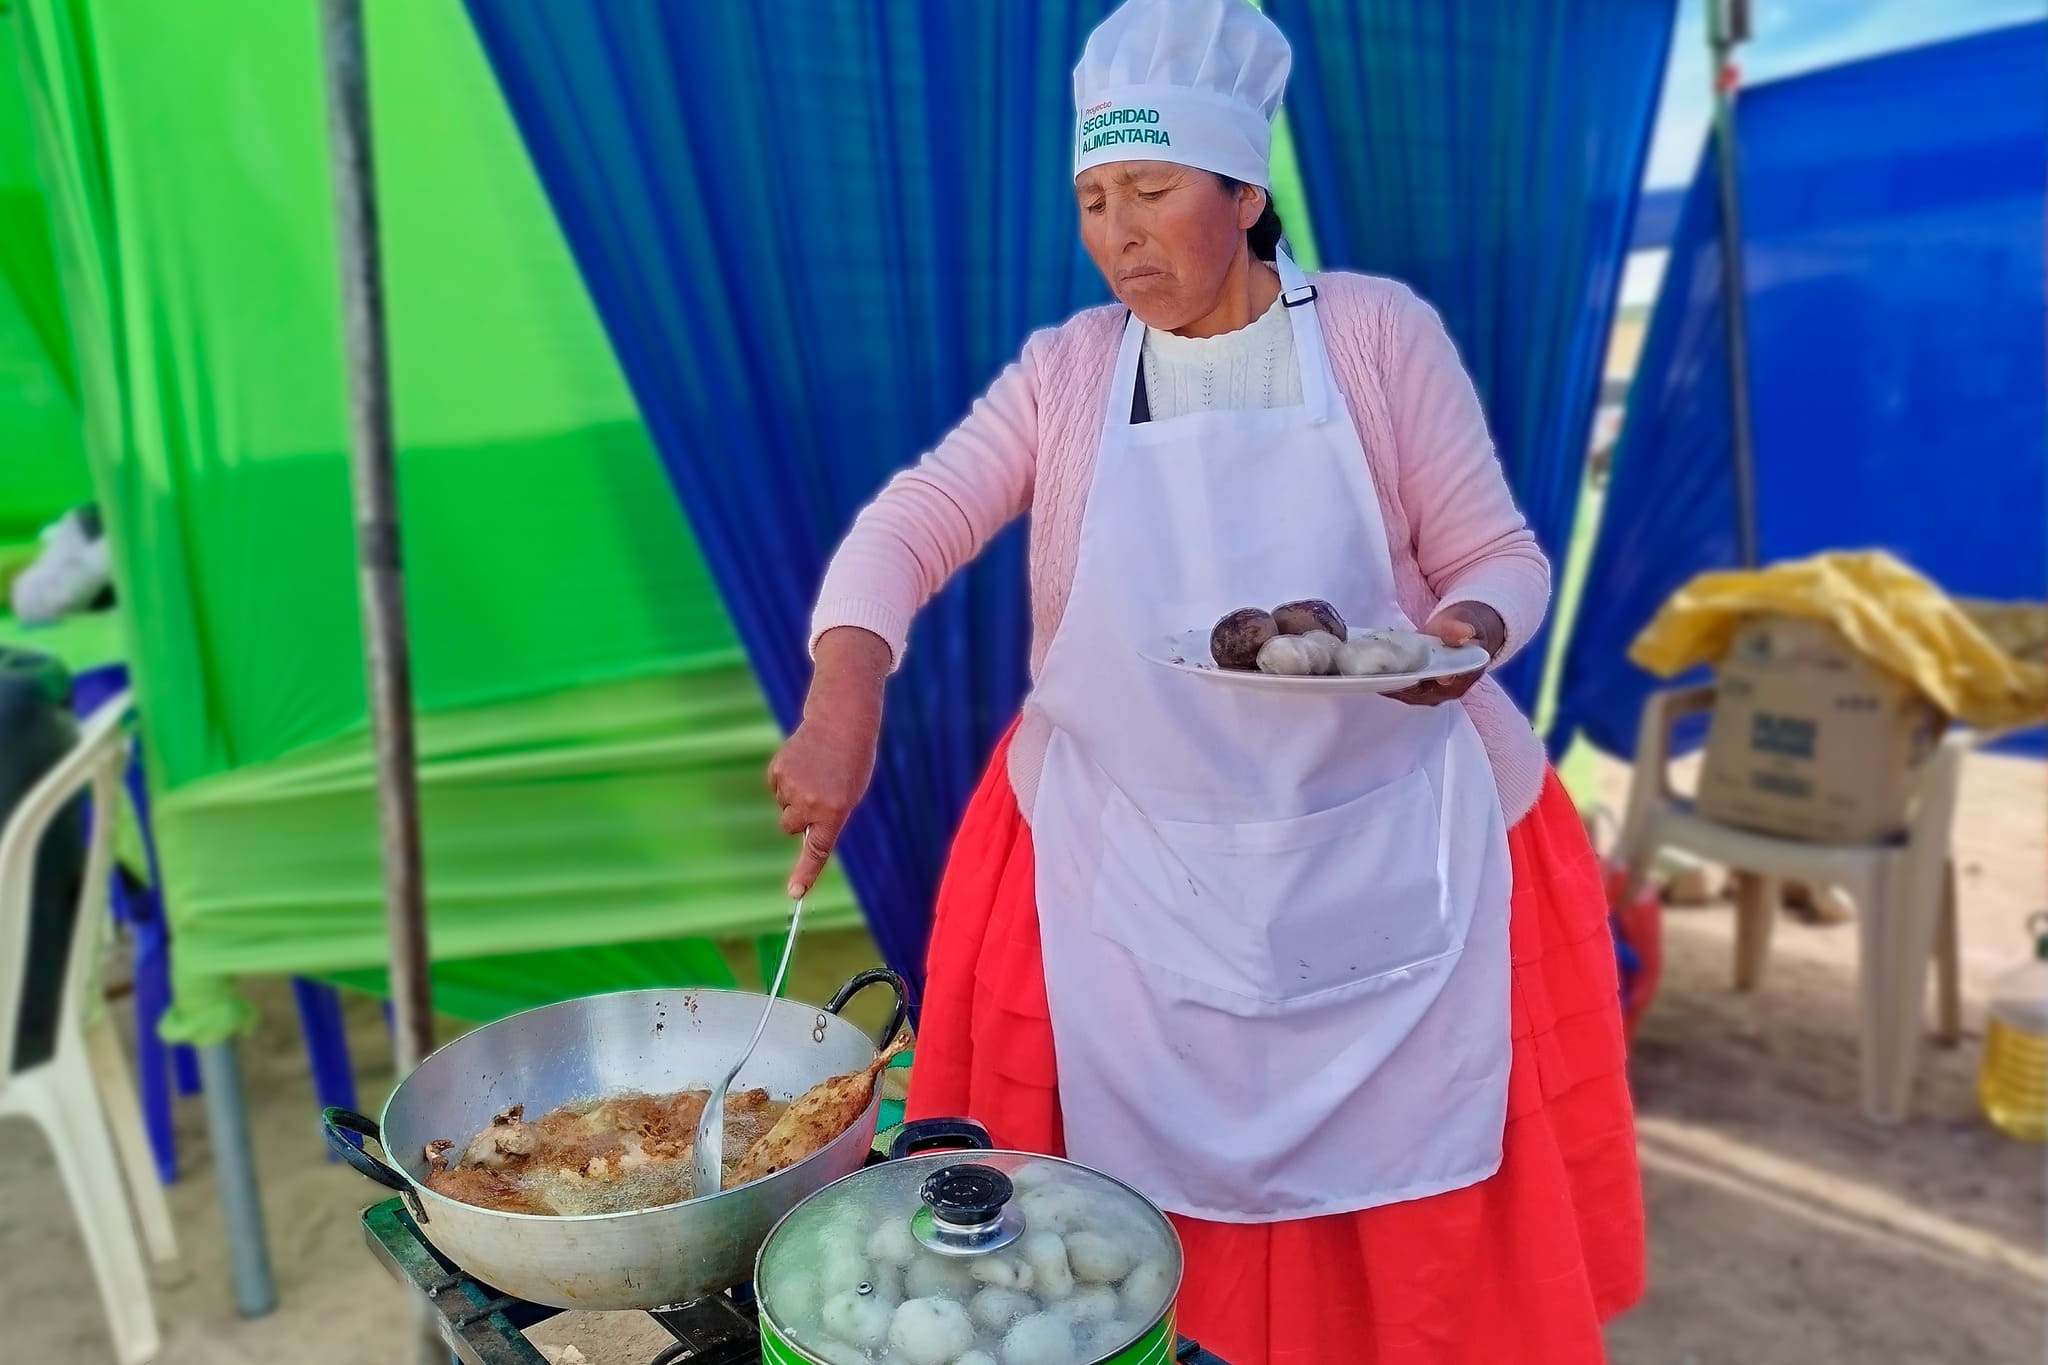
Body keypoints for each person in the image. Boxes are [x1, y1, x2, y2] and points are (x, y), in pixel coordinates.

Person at [770, 1, 1643, 1359]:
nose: (1119, 233)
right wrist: (846, 693)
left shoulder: (1371, 336)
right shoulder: (1066, 375)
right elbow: (910, 523)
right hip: (1127, 859)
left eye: (1153, 192)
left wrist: (1461, 634)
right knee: (1108, 1235)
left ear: (1242, 191)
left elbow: (1498, 553)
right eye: (1094, 199)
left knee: (1396, 1204)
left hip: (1391, 844)